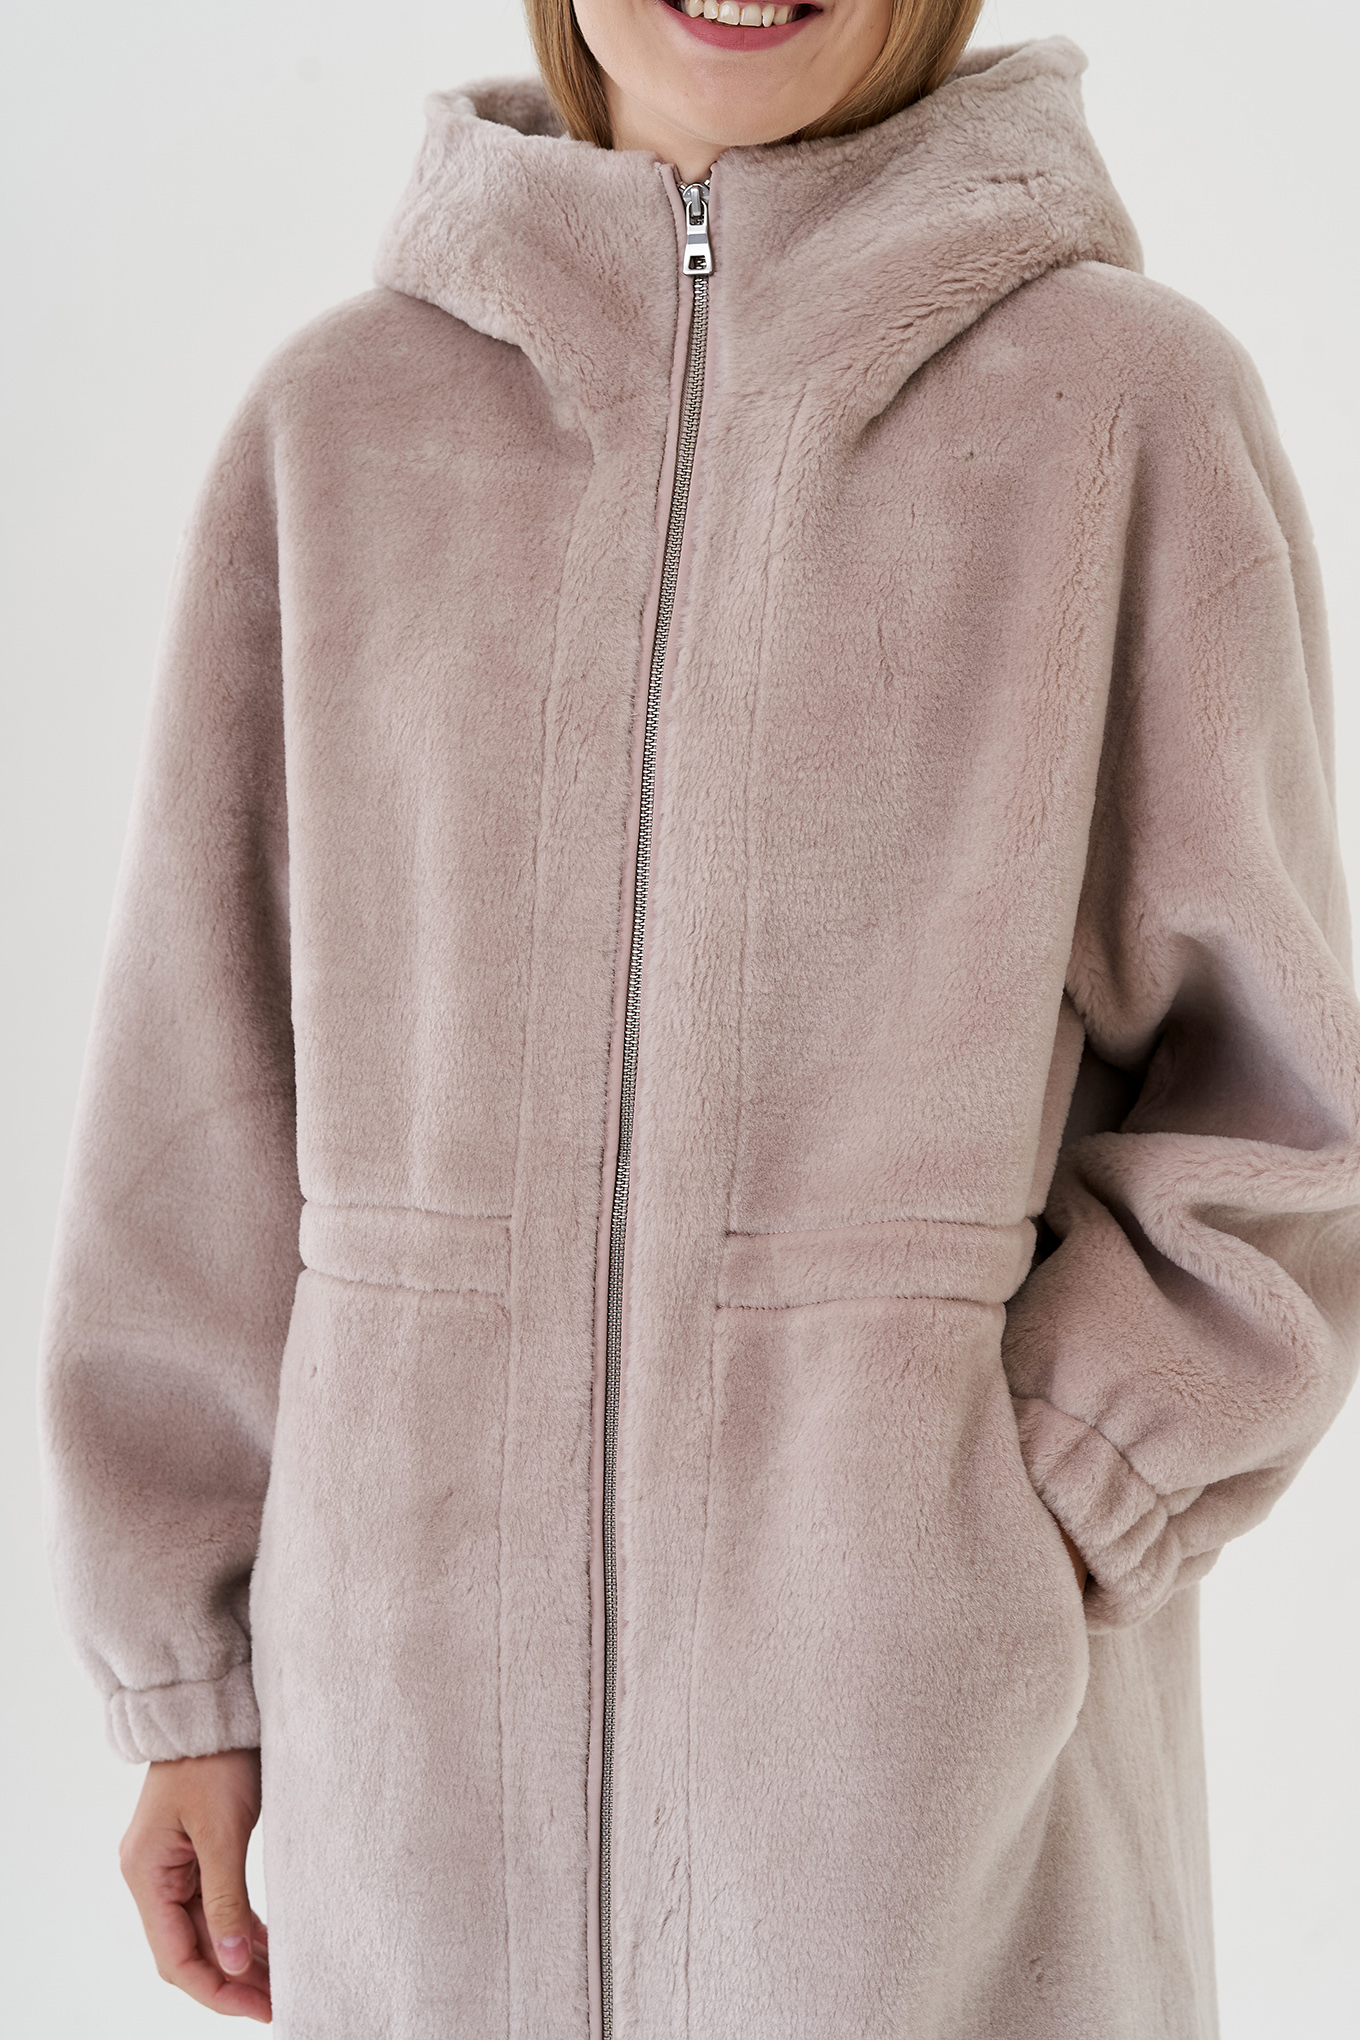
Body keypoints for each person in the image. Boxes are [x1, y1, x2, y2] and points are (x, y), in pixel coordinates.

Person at [38, 1, 1360, 2034]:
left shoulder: (1121, 409)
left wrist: (1030, 1512)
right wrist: (193, 1673)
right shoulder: (338, 429)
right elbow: (200, 1086)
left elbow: (1278, 1105)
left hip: (926, 1822)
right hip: (414, 1774)